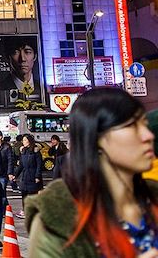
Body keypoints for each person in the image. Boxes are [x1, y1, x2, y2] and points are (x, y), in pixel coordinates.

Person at [27, 88, 158, 257]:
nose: (148, 135)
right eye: (132, 125)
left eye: (145, 125)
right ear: (96, 139)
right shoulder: (57, 218)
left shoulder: (153, 196)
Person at [13, 134, 43, 219]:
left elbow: (39, 165)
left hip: (33, 176)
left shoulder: (36, 151)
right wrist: (15, 175)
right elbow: (21, 165)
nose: (23, 142)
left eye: (25, 140)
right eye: (23, 140)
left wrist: (37, 176)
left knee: (32, 195)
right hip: (25, 176)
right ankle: (25, 211)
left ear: (29, 141)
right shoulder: (23, 151)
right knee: (24, 195)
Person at [0, 129, 15, 207]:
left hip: (3, 173)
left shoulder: (6, 147)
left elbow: (10, 160)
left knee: (2, 192)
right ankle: (6, 208)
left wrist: (10, 173)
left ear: (0, 137)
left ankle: (3, 210)